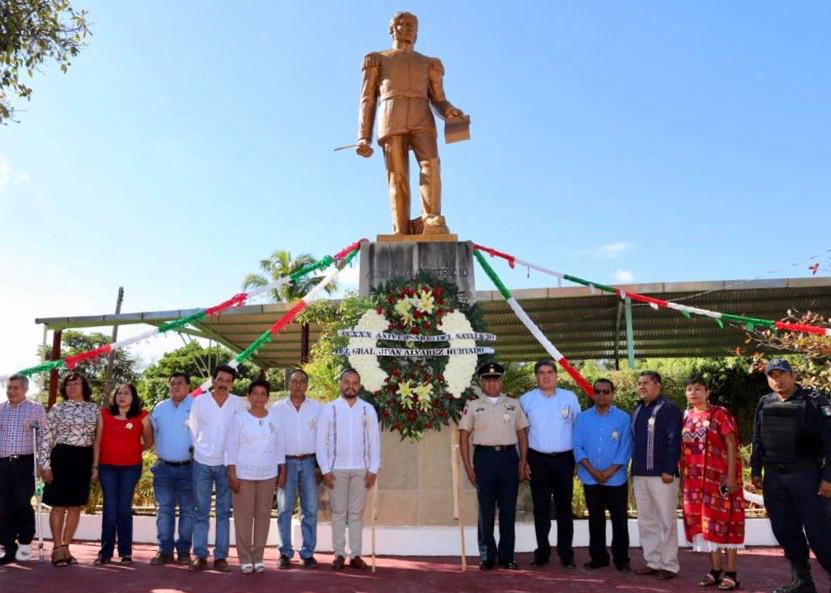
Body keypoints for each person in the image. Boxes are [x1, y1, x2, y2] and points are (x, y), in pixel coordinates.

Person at [355, 11, 466, 235]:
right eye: (402, 24)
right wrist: (363, 137)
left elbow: (439, 99)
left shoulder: (429, 63)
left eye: (411, 26)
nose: (407, 28)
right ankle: (401, 228)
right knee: (397, 175)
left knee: (431, 165)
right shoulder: (377, 58)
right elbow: (367, 99)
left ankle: (432, 219)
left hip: (421, 116)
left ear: (417, 32)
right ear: (392, 29)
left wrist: (449, 112)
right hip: (390, 115)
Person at [751, 358, 831, 593]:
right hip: (775, 479)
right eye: (772, 375)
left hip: (807, 478)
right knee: (785, 531)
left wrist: (828, 478)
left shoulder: (815, 402)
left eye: (782, 374)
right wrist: (756, 470)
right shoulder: (764, 402)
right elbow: (757, 438)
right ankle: (802, 582)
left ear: (793, 375)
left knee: (821, 535)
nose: (777, 379)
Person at [459, 362, 529, 570]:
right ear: (481, 383)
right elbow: (463, 437)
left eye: (496, 379)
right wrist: (469, 468)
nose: (492, 383)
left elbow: (522, 434)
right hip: (484, 459)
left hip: (509, 458)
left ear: (501, 381)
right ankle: (487, 556)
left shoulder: (513, 404)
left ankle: (507, 556)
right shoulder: (472, 405)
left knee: (508, 510)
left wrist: (523, 461)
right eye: (488, 380)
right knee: (486, 510)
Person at [680, 375, 745, 591]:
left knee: (726, 523)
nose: (693, 392)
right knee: (707, 525)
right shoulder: (686, 416)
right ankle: (716, 570)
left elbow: (731, 445)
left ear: (707, 392)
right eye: (689, 389)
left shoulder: (720, 414)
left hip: (720, 480)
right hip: (695, 483)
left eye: (698, 388)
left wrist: (731, 477)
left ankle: (732, 572)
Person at [316, 369, 381, 570]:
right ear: (340, 384)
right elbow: (320, 442)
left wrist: (373, 469)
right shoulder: (329, 409)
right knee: (338, 513)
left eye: (354, 382)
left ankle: (356, 555)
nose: (350, 386)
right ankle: (338, 554)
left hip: (361, 470)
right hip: (337, 470)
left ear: (359, 386)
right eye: (347, 382)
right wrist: (325, 469)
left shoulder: (367, 409)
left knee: (355, 514)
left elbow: (374, 441)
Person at [519, 359, 581, 568]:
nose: (545, 376)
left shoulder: (570, 398)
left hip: (564, 459)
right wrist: (524, 460)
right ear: (536, 376)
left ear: (556, 375)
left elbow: (578, 429)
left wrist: (578, 460)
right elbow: (521, 434)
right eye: (541, 373)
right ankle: (542, 553)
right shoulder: (526, 400)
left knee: (565, 509)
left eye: (549, 372)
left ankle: (566, 555)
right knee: (541, 510)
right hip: (538, 460)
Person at [188, 364, 247, 572]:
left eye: (227, 381)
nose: (223, 384)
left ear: (232, 384)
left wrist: (235, 464)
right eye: (220, 380)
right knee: (201, 511)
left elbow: (241, 434)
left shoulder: (238, 405)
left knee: (224, 512)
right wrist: (199, 450)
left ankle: (221, 557)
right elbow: (193, 429)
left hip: (227, 465)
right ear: (213, 381)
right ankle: (200, 556)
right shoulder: (199, 402)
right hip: (202, 463)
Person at [226, 378, 286, 574]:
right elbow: (231, 447)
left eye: (263, 394)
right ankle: (245, 558)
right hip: (243, 474)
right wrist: (232, 474)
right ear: (248, 397)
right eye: (255, 393)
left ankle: (258, 558)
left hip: (268, 474)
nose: (259, 397)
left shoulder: (275, 419)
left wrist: (281, 470)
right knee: (243, 518)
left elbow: (279, 447)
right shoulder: (239, 418)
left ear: (267, 398)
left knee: (263, 517)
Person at [573, 378, 632, 572]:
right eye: (598, 391)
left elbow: (625, 448)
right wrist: (593, 472)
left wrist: (609, 471)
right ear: (593, 394)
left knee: (619, 520)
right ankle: (598, 557)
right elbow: (577, 447)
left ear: (612, 394)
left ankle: (621, 559)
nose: (602, 395)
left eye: (606, 391)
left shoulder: (623, 418)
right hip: (590, 478)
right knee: (595, 520)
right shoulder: (582, 418)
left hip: (615, 478)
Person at [41, 372, 99, 567]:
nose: (72, 387)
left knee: (75, 506)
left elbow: (98, 440)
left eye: (76, 383)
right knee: (59, 505)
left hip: (84, 458)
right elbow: (47, 437)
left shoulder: (94, 409)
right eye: (68, 384)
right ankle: (56, 548)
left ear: (84, 387)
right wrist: (45, 464)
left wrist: (94, 466)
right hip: (62, 457)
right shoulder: (58, 408)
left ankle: (66, 547)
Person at [92, 383, 152, 565]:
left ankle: (126, 552)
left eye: (127, 393)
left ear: (133, 397)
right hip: (107, 467)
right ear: (114, 396)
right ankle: (105, 553)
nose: (122, 396)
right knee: (110, 510)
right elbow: (97, 441)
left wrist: (134, 450)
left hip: (131, 468)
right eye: (119, 393)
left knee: (124, 509)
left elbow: (149, 441)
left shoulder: (142, 416)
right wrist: (94, 466)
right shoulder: (104, 414)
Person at [631, 370, 683, 579]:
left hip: (663, 476)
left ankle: (669, 565)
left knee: (666, 521)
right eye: (640, 383)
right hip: (640, 474)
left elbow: (674, 440)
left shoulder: (668, 408)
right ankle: (653, 561)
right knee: (645, 520)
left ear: (658, 385)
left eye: (646, 383)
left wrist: (669, 469)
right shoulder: (637, 409)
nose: (642, 387)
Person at [271, 369, 322, 569]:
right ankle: (285, 552)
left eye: (302, 381)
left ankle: (308, 553)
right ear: (288, 384)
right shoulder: (277, 408)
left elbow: (323, 438)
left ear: (307, 385)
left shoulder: (317, 408)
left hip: (310, 462)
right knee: (284, 509)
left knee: (309, 509)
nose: (298, 384)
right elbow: (273, 438)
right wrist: (278, 466)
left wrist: (320, 465)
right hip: (286, 463)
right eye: (294, 381)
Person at [0, 374, 49, 565]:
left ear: (25, 389)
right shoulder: (1, 409)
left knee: (21, 503)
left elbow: (44, 437)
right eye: (9, 388)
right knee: (3, 506)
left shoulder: (35, 409)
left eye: (15, 388)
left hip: (25, 463)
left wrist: (43, 463)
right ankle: (8, 546)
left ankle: (25, 543)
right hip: (2, 464)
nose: (11, 391)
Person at [149, 371, 194, 566]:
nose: (175, 386)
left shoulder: (197, 406)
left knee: (188, 512)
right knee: (165, 511)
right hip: (164, 469)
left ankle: (184, 551)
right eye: (173, 383)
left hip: (190, 469)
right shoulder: (160, 407)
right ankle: (164, 550)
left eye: (180, 383)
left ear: (188, 387)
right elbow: (149, 432)